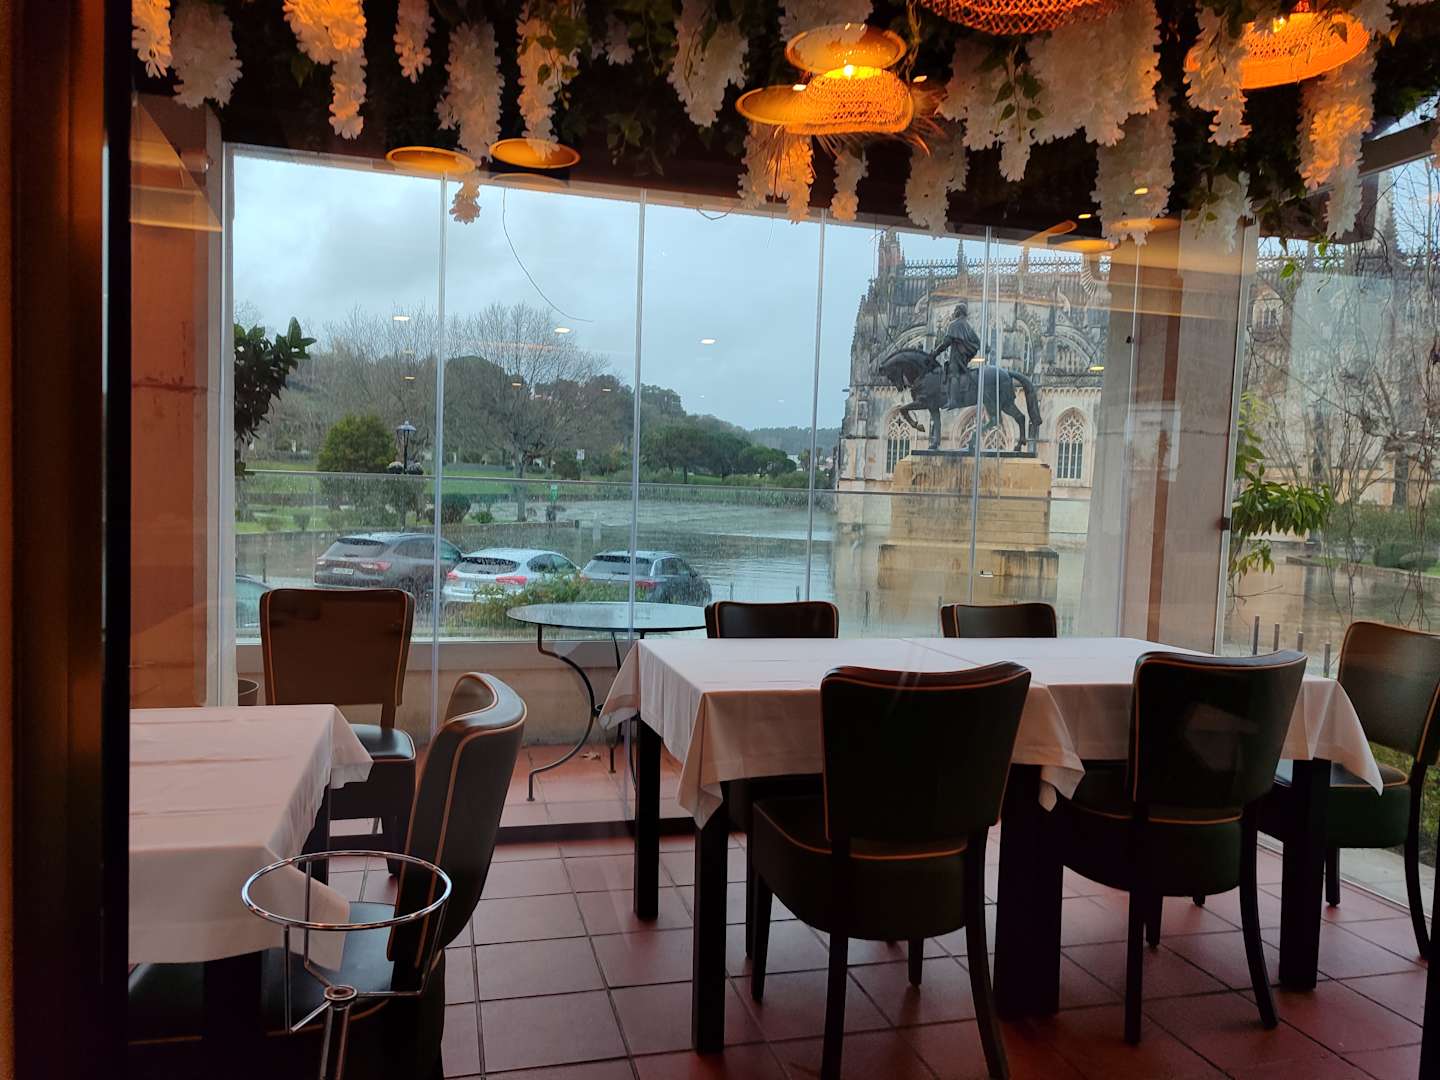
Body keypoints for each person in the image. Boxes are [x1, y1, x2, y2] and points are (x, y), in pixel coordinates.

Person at [928, 302, 981, 410]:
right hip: (965, 357)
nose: (953, 312)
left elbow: (946, 343)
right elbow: (977, 342)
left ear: (958, 311)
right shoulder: (968, 325)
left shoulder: (954, 324)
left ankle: (953, 401)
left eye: (955, 310)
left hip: (957, 356)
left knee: (953, 373)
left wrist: (935, 353)